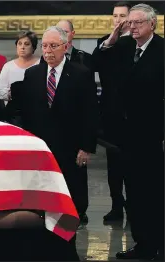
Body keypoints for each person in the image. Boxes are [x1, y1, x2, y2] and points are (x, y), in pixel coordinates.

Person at [13, 26, 99, 235]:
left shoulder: (81, 74)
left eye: (53, 46)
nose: (48, 51)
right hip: (41, 147)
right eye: (44, 46)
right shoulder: (33, 74)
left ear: (65, 46)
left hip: (71, 148)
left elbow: (90, 113)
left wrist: (86, 147)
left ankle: (69, 234)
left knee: (72, 195)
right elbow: (25, 112)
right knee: (42, 195)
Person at [95, 3, 163, 260]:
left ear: (152, 25)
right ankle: (142, 244)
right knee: (132, 193)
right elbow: (97, 63)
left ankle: (157, 243)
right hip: (124, 136)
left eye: (137, 23)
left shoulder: (161, 50)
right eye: (129, 23)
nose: (131, 27)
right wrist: (113, 37)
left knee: (152, 193)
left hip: (152, 135)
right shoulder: (122, 46)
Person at [92, 1, 131, 222]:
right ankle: (117, 205)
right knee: (113, 163)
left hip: (134, 114)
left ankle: (134, 206)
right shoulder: (105, 43)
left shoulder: (137, 43)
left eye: (122, 16)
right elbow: (94, 65)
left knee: (133, 163)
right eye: (115, 16)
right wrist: (110, 41)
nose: (118, 20)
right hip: (111, 112)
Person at [0, 30, 40, 104]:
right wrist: (14, 94)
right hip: (13, 110)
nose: (22, 47)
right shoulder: (8, 67)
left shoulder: (41, 65)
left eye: (26, 44)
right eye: (19, 44)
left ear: (33, 47)